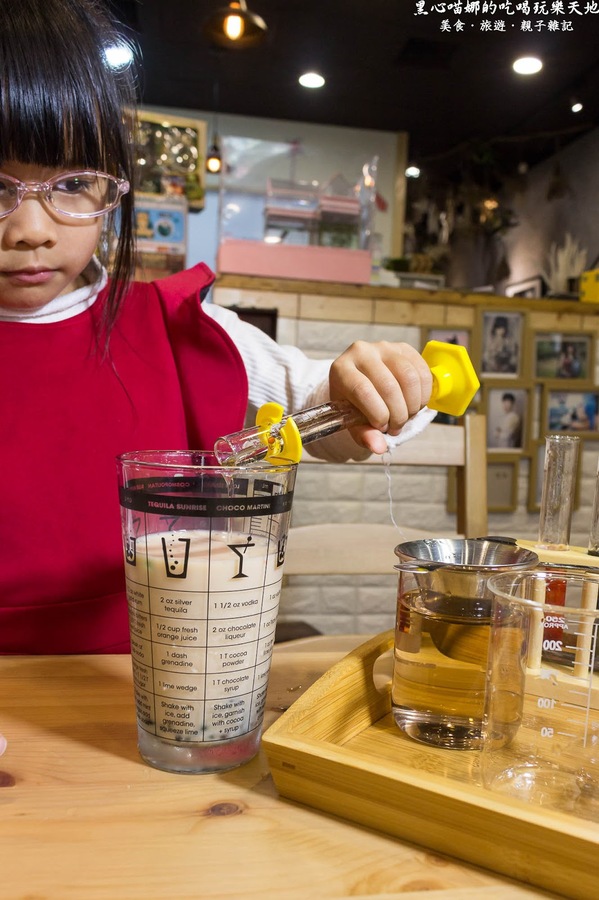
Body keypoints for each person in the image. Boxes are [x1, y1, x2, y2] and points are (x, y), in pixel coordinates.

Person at [0, 0, 435, 655]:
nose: (30, 230)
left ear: (112, 187)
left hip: (149, 702)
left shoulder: (178, 331)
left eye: (73, 183)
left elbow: (326, 404)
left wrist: (374, 384)